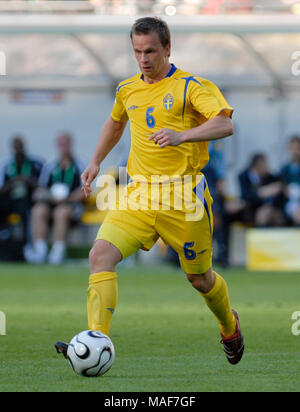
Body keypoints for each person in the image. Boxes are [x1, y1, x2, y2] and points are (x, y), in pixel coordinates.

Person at [55, 17, 244, 365]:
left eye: (151, 51)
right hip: (139, 194)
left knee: (200, 280)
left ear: (168, 48)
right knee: (100, 256)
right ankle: (97, 342)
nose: (143, 58)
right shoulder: (128, 89)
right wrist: (96, 160)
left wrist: (182, 135)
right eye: (138, 51)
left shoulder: (191, 87)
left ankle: (229, 326)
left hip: (184, 198)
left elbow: (225, 122)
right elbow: (116, 121)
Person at [24, 133, 86, 265]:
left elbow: (85, 190)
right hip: (52, 202)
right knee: (38, 209)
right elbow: (41, 188)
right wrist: (51, 197)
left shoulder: (79, 164)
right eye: (60, 144)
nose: (63, 147)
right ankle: (40, 250)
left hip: (71, 205)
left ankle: (58, 252)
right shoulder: (50, 165)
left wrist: (67, 198)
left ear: (70, 145)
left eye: (66, 144)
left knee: (61, 212)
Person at [0, 136, 43, 245]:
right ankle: (4, 237)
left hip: (28, 199)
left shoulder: (35, 164)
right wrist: (14, 182)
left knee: (26, 210)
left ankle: (27, 244)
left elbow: (42, 185)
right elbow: (2, 188)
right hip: (10, 199)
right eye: (16, 147)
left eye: (20, 147)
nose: (18, 150)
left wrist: (29, 181)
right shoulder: (6, 165)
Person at [239, 153, 285, 227]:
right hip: (251, 209)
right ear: (257, 166)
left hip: (270, 208)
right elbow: (245, 195)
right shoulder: (243, 176)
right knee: (263, 215)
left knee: (276, 215)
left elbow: (279, 190)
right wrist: (261, 192)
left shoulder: (270, 177)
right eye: (265, 164)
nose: (267, 166)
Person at [281, 136, 300, 225]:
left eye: (297, 148)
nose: (295, 152)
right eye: (292, 148)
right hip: (288, 204)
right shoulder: (284, 169)